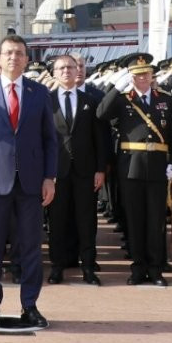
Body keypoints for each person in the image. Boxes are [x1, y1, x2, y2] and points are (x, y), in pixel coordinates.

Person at [0, 35, 57, 329]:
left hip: (31, 181)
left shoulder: (39, 92)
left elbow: (50, 140)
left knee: (31, 246)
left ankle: (29, 306)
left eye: (19, 53)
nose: (13, 58)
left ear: (26, 59)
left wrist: (50, 178)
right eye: (8, 53)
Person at [46, 54, 108, 286]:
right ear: (54, 73)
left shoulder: (90, 101)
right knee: (57, 221)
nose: (66, 72)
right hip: (56, 172)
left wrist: (100, 169)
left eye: (70, 67)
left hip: (85, 171)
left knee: (87, 221)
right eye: (61, 68)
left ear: (78, 71)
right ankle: (57, 267)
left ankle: (89, 268)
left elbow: (100, 138)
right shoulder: (46, 101)